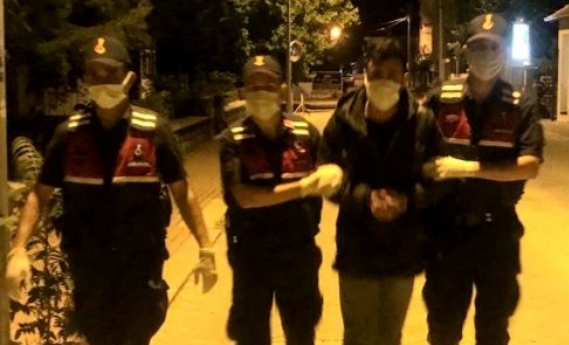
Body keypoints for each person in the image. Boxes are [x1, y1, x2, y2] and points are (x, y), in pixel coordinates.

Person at [5, 36, 217, 345]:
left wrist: (206, 248)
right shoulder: (69, 135)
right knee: (99, 336)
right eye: (94, 74)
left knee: (136, 334)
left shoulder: (153, 131)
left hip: (140, 264)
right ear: (85, 80)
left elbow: (183, 192)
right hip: (90, 266)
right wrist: (19, 249)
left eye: (111, 73)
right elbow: (40, 193)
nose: (102, 81)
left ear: (129, 78)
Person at [421, 13, 545, 345]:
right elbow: (414, 148)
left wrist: (468, 168)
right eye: (479, 47)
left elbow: (530, 166)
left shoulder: (519, 104)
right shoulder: (439, 99)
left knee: (493, 331)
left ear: (504, 52)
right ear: (466, 51)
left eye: (494, 47)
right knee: (443, 331)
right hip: (446, 233)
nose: (487, 54)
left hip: (497, 233)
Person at [318, 38, 439, 345]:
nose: (384, 81)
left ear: (404, 78)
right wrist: (365, 198)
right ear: (365, 74)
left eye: (392, 74)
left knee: (390, 333)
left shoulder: (423, 120)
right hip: (357, 245)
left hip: (403, 244)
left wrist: (407, 201)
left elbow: (439, 176)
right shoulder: (344, 119)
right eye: (376, 73)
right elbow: (326, 174)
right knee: (358, 334)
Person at [218, 54, 342, 345]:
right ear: (243, 91)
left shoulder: (306, 133)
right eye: (253, 85)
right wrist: (304, 186)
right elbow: (244, 197)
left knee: (301, 332)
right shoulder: (232, 139)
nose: (261, 91)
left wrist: (335, 176)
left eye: (269, 84)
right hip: (251, 255)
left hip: (298, 252)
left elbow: (328, 178)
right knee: (251, 335)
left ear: (283, 90)